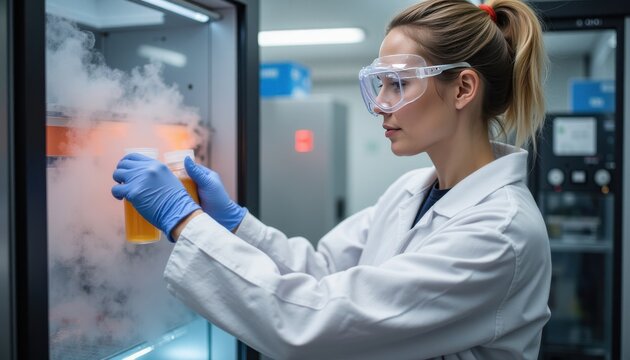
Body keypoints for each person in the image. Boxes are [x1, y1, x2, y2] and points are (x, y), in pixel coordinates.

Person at [112, 0, 551, 358]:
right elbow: (322, 271)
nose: (380, 104)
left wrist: (183, 220)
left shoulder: (499, 232)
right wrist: (234, 224)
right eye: (379, 84)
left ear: (463, 89)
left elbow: (316, 324)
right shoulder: (411, 191)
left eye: (396, 84)